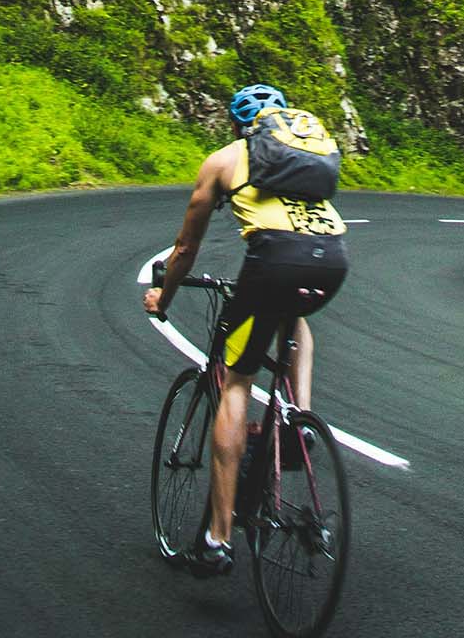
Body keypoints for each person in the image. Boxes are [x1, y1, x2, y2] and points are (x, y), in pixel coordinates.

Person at [143, 83, 348, 578]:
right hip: (333, 259)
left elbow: (185, 249)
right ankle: (298, 419)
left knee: (236, 382)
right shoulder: (302, 160)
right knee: (291, 317)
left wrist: (162, 299)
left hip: (275, 262)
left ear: (238, 126)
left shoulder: (224, 160)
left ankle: (216, 540)